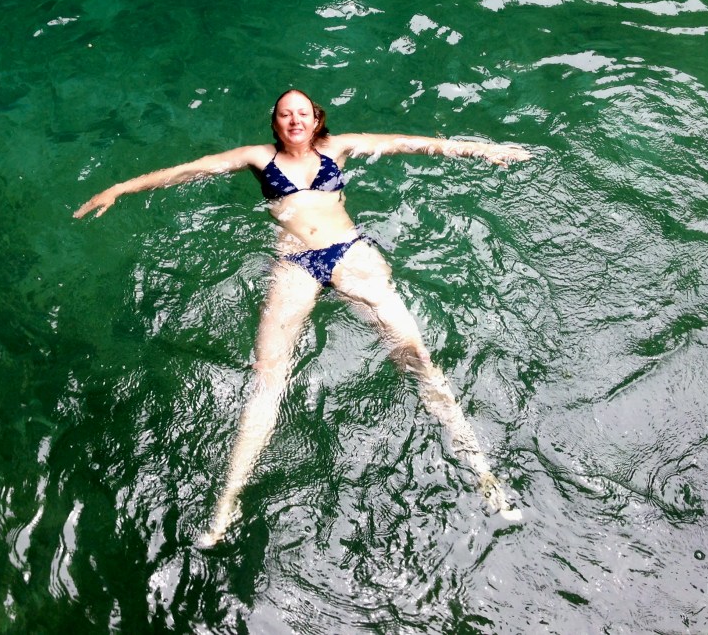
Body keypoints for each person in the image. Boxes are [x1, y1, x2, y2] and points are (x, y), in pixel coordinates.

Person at [75, 89, 531, 547]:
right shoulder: (259, 157)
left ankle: (483, 475)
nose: (294, 120)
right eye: (285, 114)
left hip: (351, 254)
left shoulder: (339, 147)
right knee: (267, 377)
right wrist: (120, 188)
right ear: (275, 123)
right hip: (294, 265)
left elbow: (407, 143)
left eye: (302, 113)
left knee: (417, 358)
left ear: (316, 120)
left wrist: (482, 151)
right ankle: (226, 503)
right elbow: (190, 170)